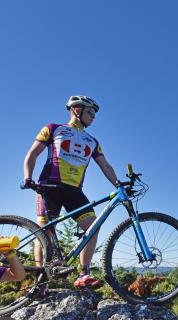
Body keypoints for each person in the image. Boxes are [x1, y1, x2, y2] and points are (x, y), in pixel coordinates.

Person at [23, 95, 119, 289]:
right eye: (90, 112)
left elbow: (105, 166)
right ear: (77, 110)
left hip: (74, 191)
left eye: (94, 114)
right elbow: (32, 154)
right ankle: (40, 282)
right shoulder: (53, 128)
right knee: (45, 233)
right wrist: (28, 177)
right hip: (49, 186)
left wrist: (119, 184)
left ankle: (83, 274)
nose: (93, 117)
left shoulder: (92, 141)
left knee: (92, 228)